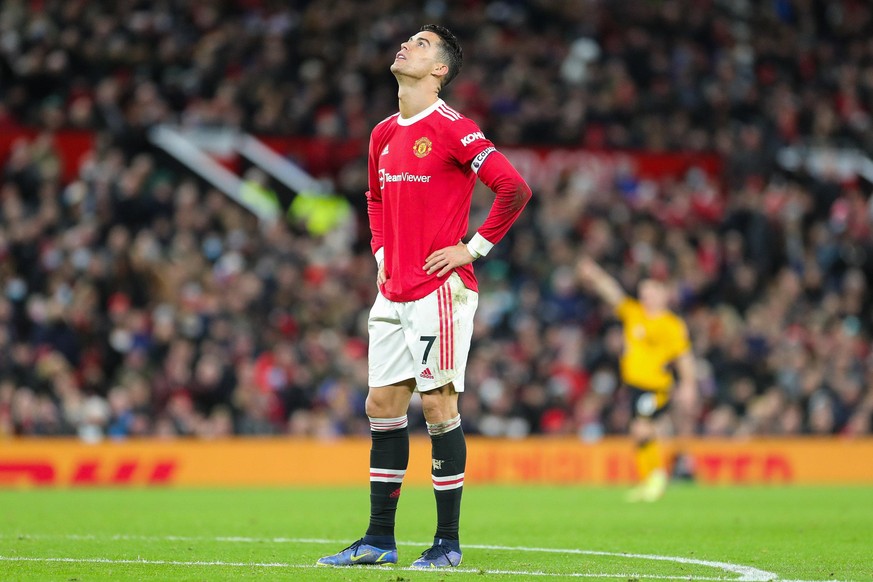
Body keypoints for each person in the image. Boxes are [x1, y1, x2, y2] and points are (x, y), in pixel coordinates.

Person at [317, 24, 531, 568]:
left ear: (440, 70)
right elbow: (373, 197)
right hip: (394, 290)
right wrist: (382, 252)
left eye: (421, 44)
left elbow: (514, 188)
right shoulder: (383, 132)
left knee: (437, 405)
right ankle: (378, 540)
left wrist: (474, 248)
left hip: (441, 290)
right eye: (408, 40)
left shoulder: (454, 128)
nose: (407, 46)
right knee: (382, 406)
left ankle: (447, 543)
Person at [577, 256, 696, 502]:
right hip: (634, 386)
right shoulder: (634, 313)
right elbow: (613, 293)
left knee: (642, 428)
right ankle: (649, 480)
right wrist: (595, 274)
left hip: (655, 387)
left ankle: (658, 477)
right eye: (643, 292)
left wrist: (688, 385)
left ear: (664, 295)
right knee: (638, 432)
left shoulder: (671, 325)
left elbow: (683, 357)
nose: (646, 297)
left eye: (651, 292)